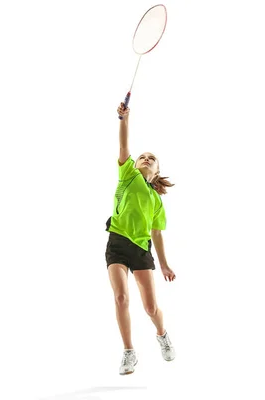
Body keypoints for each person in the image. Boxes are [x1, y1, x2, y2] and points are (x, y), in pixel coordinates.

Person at [104, 102, 177, 375]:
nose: (146, 159)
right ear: (135, 164)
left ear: (156, 171)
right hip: (117, 244)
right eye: (142, 156)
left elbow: (157, 234)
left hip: (141, 250)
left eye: (152, 158)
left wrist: (165, 264)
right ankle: (129, 352)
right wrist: (124, 119)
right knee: (121, 298)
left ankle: (162, 334)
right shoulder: (128, 176)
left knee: (150, 306)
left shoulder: (157, 201)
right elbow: (123, 146)